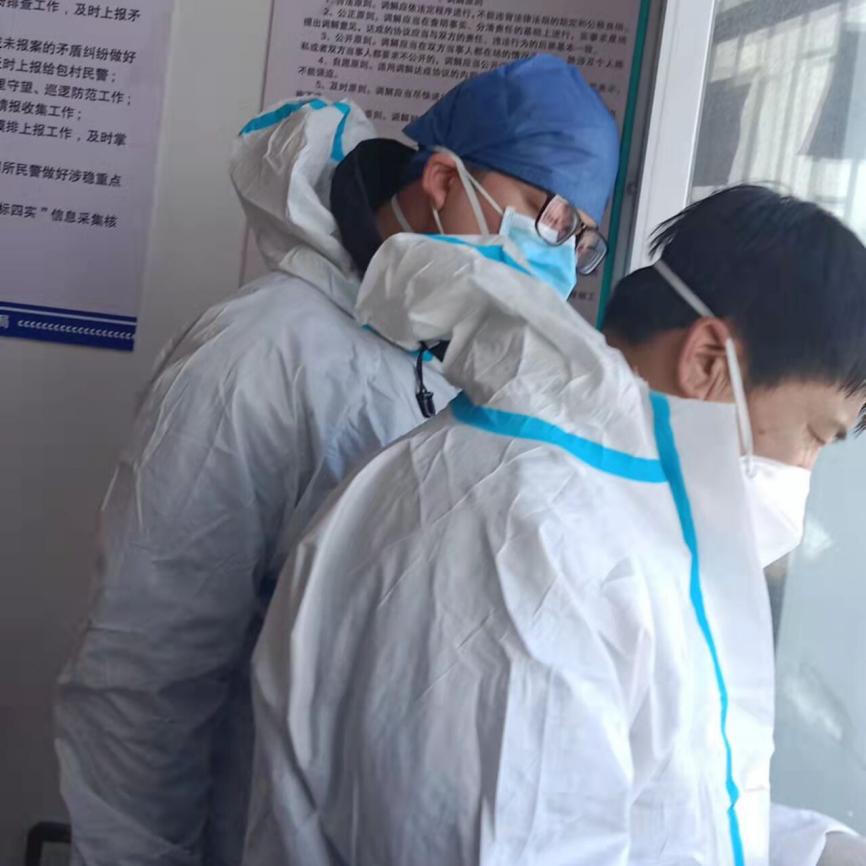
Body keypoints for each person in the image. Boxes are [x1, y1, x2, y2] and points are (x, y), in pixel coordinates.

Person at [54, 54, 620, 866]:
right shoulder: (262, 351)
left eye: (579, 239)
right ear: (442, 181)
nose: (559, 261)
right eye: (549, 218)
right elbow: (145, 668)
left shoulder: (454, 362)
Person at [245, 185, 866, 866]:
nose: (804, 471)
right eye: (816, 434)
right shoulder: (533, 542)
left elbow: (664, 794)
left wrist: (814, 850)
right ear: (708, 364)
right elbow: (515, 833)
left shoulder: (614, 513)